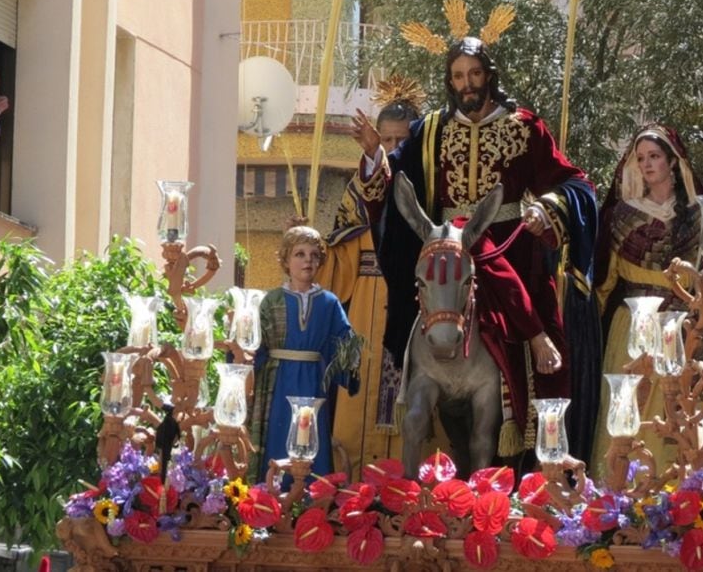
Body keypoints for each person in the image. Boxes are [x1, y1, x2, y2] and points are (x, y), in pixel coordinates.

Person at [352, 33, 598, 462]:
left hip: (511, 251)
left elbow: (575, 183)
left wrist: (547, 208)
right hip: (449, 254)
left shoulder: (525, 126)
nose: (467, 84)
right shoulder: (431, 130)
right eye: (458, 76)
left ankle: (529, 457)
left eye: (474, 74)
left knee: (535, 342)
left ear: (489, 75)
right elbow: (397, 191)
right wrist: (376, 155)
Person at [316, 77, 423, 476]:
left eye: (400, 141)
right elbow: (339, 255)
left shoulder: (426, 188)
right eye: (386, 140)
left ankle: (410, 491)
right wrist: (310, 249)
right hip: (364, 306)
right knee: (355, 402)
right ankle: (349, 488)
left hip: (411, 302)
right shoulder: (362, 184)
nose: (393, 148)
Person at [590, 125, 701, 473]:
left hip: (677, 326)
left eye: (654, 156)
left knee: (671, 413)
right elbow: (605, 281)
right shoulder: (622, 216)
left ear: (672, 161)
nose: (647, 164)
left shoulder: (698, 217)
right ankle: (617, 490)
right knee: (627, 410)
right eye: (640, 159)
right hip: (631, 326)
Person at [248, 223, 359, 482]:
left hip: (312, 383)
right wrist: (243, 360)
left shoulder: (329, 302)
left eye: (313, 255)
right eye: (299, 254)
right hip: (277, 381)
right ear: (286, 260)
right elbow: (254, 343)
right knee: (277, 432)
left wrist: (352, 354)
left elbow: (343, 340)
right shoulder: (271, 300)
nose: (307, 261)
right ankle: (271, 496)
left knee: (311, 437)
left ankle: (311, 498)